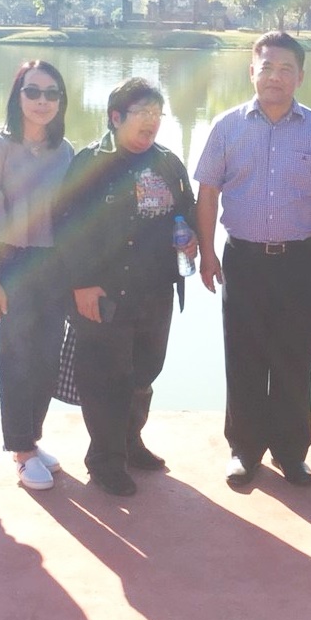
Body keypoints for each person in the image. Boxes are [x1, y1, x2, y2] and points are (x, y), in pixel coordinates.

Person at [195, 31, 311, 489]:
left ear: (300, 75)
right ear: (251, 71)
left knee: (294, 358)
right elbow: (207, 193)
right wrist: (206, 252)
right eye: (267, 68)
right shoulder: (227, 126)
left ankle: (291, 452)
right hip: (243, 259)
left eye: (286, 69)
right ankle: (244, 450)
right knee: (243, 356)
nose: (275, 77)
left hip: (301, 260)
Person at [56, 78, 197, 497]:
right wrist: (81, 284)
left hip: (155, 289)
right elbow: (66, 229)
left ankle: (131, 444)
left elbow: (185, 213)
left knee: (144, 372)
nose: (151, 123)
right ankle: (105, 459)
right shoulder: (89, 164)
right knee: (105, 377)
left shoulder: (169, 163)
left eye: (157, 115)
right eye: (141, 115)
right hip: (104, 291)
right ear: (116, 117)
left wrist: (188, 236)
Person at [0, 60, 74, 492]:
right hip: (12, 263)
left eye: (51, 94)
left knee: (47, 358)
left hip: (54, 265)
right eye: (33, 92)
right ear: (18, 97)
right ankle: (20, 451)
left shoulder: (65, 151)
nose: (42, 102)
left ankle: (32, 438)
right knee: (16, 360)